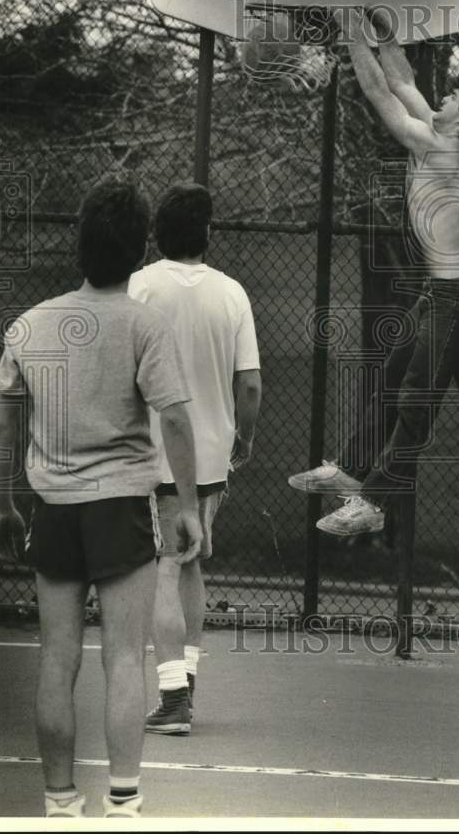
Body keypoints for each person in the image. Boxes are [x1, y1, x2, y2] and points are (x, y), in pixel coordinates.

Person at [0, 176, 202, 819]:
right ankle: (124, 804)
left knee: (55, 659)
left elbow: (0, 424)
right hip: (121, 507)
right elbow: (177, 420)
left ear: (79, 245)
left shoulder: (31, 324)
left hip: (53, 508)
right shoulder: (145, 324)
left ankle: (58, 803)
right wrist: (186, 506)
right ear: (140, 252)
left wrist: (1, 504)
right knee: (122, 661)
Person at [289, 5, 459, 536]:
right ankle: (350, 469)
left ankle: (375, 503)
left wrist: (350, 32)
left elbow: (381, 95)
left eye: (454, 96)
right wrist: (381, 32)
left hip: (457, 299)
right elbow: (404, 79)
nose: (444, 98)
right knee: (392, 382)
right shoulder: (443, 131)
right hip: (439, 293)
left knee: (415, 401)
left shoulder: (441, 148)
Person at [128, 182, 262, 736]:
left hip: (152, 451)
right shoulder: (231, 293)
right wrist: (243, 437)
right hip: (209, 453)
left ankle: (173, 696)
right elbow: (249, 385)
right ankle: (184, 685)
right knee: (190, 562)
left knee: (164, 564)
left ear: (158, 232)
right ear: (207, 232)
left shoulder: (138, 286)